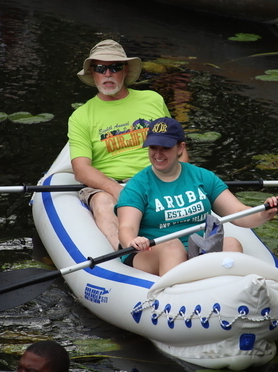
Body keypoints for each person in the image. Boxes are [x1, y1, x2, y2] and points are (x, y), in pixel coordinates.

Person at [116, 117, 278, 276]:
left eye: (165, 148)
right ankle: (175, 295)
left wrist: (263, 213)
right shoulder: (137, 185)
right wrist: (133, 241)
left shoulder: (202, 177)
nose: (158, 154)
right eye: (153, 147)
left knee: (232, 243)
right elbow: (127, 228)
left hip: (197, 248)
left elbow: (239, 212)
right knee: (172, 247)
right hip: (152, 252)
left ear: (180, 148)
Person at [69, 39, 188, 250]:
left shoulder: (153, 99)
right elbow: (81, 169)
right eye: (100, 68)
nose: (108, 74)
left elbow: (178, 146)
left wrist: (179, 178)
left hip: (157, 176)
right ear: (92, 73)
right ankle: (126, 255)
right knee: (103, 201)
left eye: (114, 67)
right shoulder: (81, 116)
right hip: (111, 184)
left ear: (125, 71)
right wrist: (117, 190)